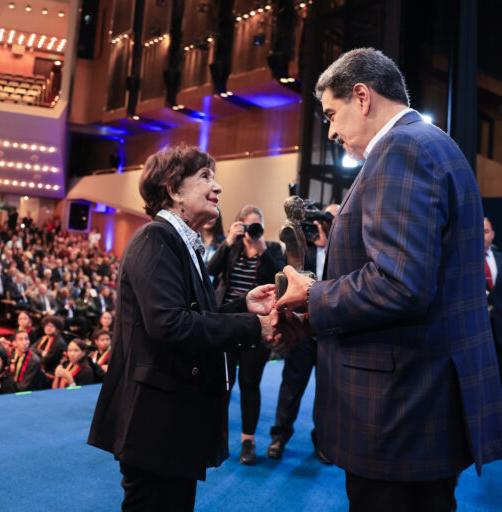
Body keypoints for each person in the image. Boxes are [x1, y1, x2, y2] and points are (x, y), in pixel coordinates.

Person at [275, 48, 502, 511]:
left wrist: (312, 295)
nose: (332, 131)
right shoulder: (428, 143)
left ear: (362, 96)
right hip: (417, 403)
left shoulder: (402, 150)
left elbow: (399, 284)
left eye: (332, 114)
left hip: (399, 413)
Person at [88, 144, 294, 512]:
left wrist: (240, 306)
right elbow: (170, 324)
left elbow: (197, 313)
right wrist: (253, 326)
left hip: (172, 420)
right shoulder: (155, 239)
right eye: (205, 177)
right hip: (155, 424)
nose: (217, 188)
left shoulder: (181, 244)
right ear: (173, 189)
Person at [206, 205, 286, 465]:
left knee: (250, 384)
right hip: (227, 323)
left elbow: (281, 281)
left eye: (257, 225)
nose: (253, 231)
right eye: (249, 225)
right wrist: (228, 241)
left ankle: (247, 441)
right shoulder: (232, 247)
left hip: (256, 326)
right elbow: (210, 270)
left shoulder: (271, 249)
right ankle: (217, 436)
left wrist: (263, 250)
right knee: (224, 384)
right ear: (239, 225)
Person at [268, 203, 338, 463]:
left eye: (329, 218)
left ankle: (322, 441)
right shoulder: (304, 247)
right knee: (291, 385)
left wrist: (329, 243)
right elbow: (289, 270)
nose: (322, 223)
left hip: (330, 331)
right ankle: (279, 436)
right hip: (303, 329)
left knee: (328, 391)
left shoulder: (341, 248)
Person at [484, 217, 502, 383]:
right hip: (480, 329)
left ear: (493, 234)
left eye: (486, 232)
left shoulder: (500, 259)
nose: (483, 236)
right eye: (479, 232)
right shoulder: (466, 262)